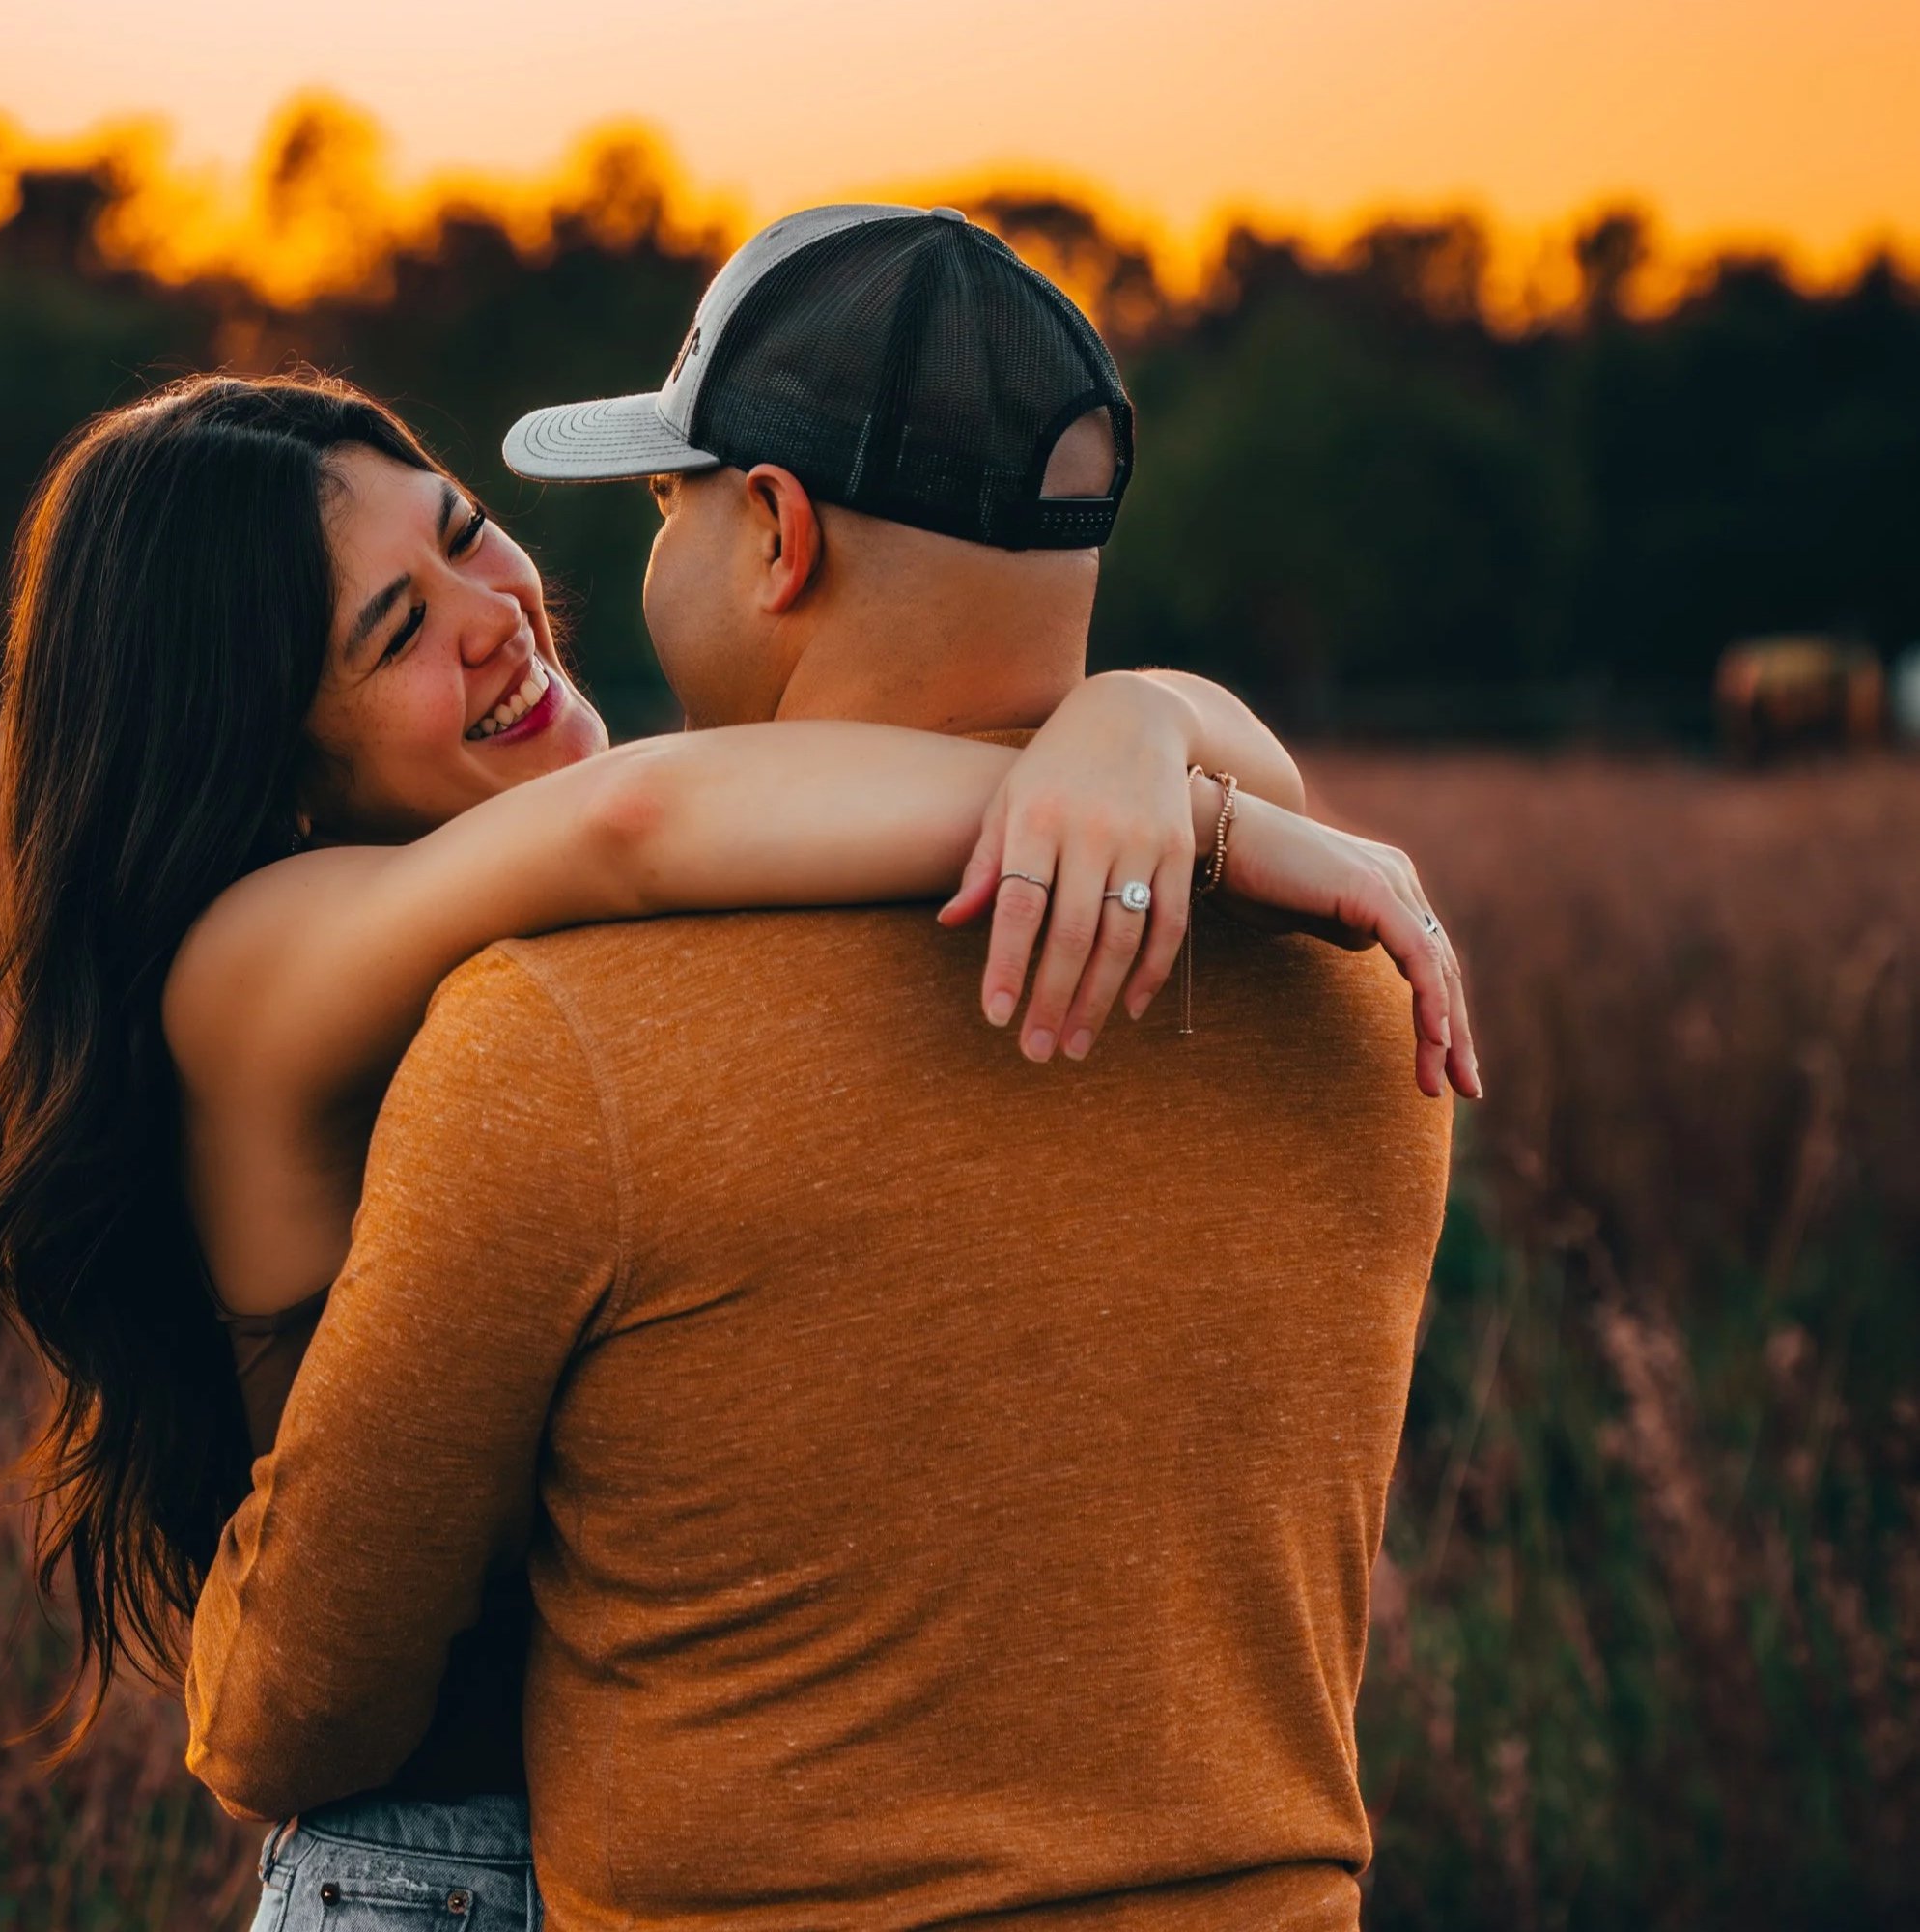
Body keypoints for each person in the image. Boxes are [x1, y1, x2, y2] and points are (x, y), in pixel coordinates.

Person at [184, 206, 1468, 1929]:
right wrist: (1168, 754)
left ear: (773, 534)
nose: (510, 608)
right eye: (393, 628)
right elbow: (639, 818)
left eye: (663, 502)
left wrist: (1157, 743)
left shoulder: (561, 1038)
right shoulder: (1368, 1003)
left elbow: (297, 1705)